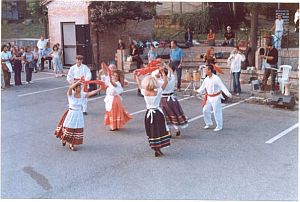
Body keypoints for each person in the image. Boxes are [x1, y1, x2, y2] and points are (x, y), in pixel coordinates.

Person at [54, 80, 102, 151]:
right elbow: (70, 88)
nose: (80, 88)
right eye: (78, 87)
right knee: (69, 128)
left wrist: (99, 89)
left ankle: (72, 144)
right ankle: (64, 139)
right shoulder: (71, 94)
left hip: (79, 113)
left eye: (80, 87)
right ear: (75, 88)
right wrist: (77, 82)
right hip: (71, 113)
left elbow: (90, 93)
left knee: (76, 129)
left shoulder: (82, 94)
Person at [134, 67, 171, 157]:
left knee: (152, 130)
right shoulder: (158, 91)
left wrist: (136, 77)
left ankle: (155, 147)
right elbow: (165, 83)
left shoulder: (144, 92)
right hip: (157, 113)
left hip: (149, 114)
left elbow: (139, 85)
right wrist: (163, 73)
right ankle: (158, 147)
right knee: (159, 129)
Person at [153, 64, 188, 137]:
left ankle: (169, 132)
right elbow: (171, 71)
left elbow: (153, 76)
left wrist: (159, 72)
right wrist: (164, 64)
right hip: (172, 99)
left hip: (164, 100)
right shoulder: (172, 78)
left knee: (165, 116)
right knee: (173, 115)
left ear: (162, 74)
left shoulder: (160, 82)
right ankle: (177, 129)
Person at [196, 65, 232, 132]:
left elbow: (222, 86)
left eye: (206, 70)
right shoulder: (206, 79)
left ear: (210, 70)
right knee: (205, 110)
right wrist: (197, 91)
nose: (204, 71)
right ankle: (208, 123)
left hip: (216, 97)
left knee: (217, 111)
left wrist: (228, 94)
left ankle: (219, 126)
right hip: (209, 97)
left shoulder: (216, 78)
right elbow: (202, 87)